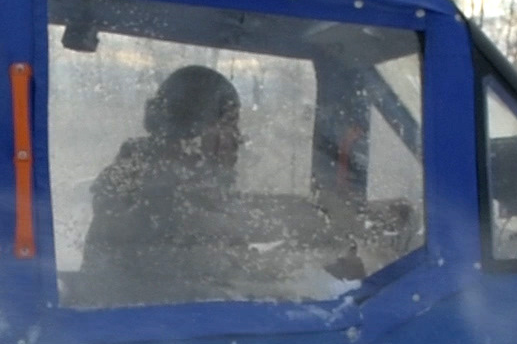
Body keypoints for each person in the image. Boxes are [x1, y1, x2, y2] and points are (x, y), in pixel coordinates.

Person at [79, 65, 353, 307]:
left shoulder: (163, 177)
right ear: (192, 128)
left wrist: (317, 216)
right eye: (229, 124)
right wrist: (318, 234)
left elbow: (234, 214)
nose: (238, 138)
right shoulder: (154, 192)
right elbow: (232, 255)